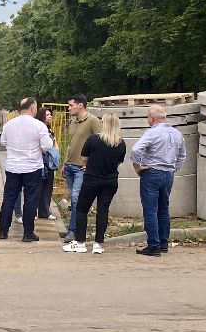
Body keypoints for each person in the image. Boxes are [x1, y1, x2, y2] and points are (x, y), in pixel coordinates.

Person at [130, 102, 188, 256]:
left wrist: (138, 166)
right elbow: (182, 155)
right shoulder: (177, 133)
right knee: (164, 209)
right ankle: (163, 243)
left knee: (150, 210)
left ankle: (153, 245)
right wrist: (174, 167)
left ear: (152, 118)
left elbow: (136, 149)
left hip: (152, 172)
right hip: (168, 174)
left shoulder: (152, 133)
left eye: (148, 117)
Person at [64, 112, 125, 254]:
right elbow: (119, 161)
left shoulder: (93, 140)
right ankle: (98, 244)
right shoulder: (120, 143)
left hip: (92, 179)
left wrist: (88, 165)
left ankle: (80, 242)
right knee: (103, 210)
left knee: (82, 209)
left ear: (104, 124)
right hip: (110, 181)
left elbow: (84, 158)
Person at [0, 97, 53, 242]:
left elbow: (3, 142)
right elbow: (47, 146)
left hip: (13, 167)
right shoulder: (39, 126)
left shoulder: (9, 124)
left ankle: (3, 231)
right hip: (32, 167)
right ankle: (28, 233)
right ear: (33, 108)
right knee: (30, 200)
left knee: (9, 198)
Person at [59, 96, 100, 243]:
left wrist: (91, 163)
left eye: (71, 105)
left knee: (77, 198)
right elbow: (71, 144)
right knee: (75, 199)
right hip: (70, 166)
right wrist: (65, 163)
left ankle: (74, 231)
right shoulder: (73, 121)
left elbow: (100, 142)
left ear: (80, 105)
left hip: (81, 168)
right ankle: (74, 228)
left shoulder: (93, 121)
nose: (69, 108)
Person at [13, 106, 59, 220]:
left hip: (49, 161)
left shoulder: (49, 129)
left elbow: (54, 142)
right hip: (39, 161)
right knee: (36, 187)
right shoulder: (38, 127)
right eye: (47, 115)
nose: (50, 117)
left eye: (50, 115)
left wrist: (55, 150)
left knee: (47, 187)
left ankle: (44, 211)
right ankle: (31, 211)